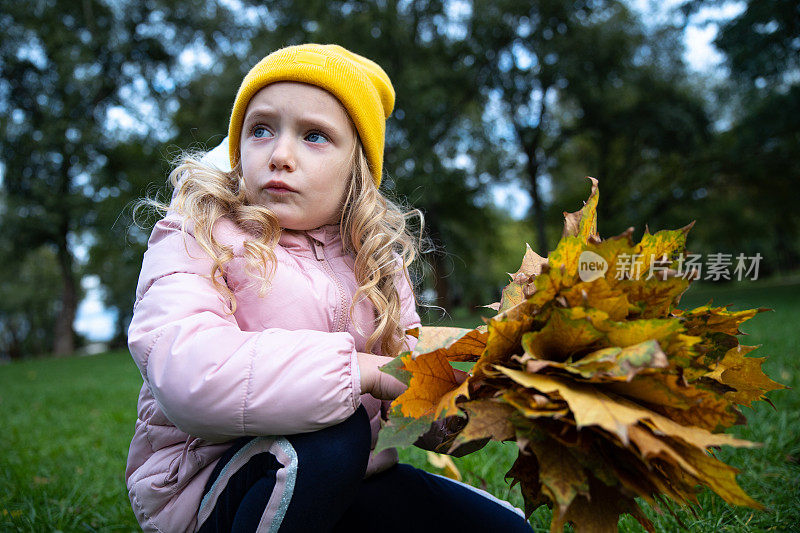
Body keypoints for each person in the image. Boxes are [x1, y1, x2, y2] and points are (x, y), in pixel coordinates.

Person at [126, 43, 532, 533]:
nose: (279, 154)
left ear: (357, 170)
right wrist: (362, 370)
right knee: (333, 435)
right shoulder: (197, 234)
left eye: (314, 136)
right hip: (214, 489)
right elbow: (187, 373)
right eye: (260, 130)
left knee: (504, 529)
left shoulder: (376, 263)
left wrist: (460, 409)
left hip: (351, 481)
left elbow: (406, 394)